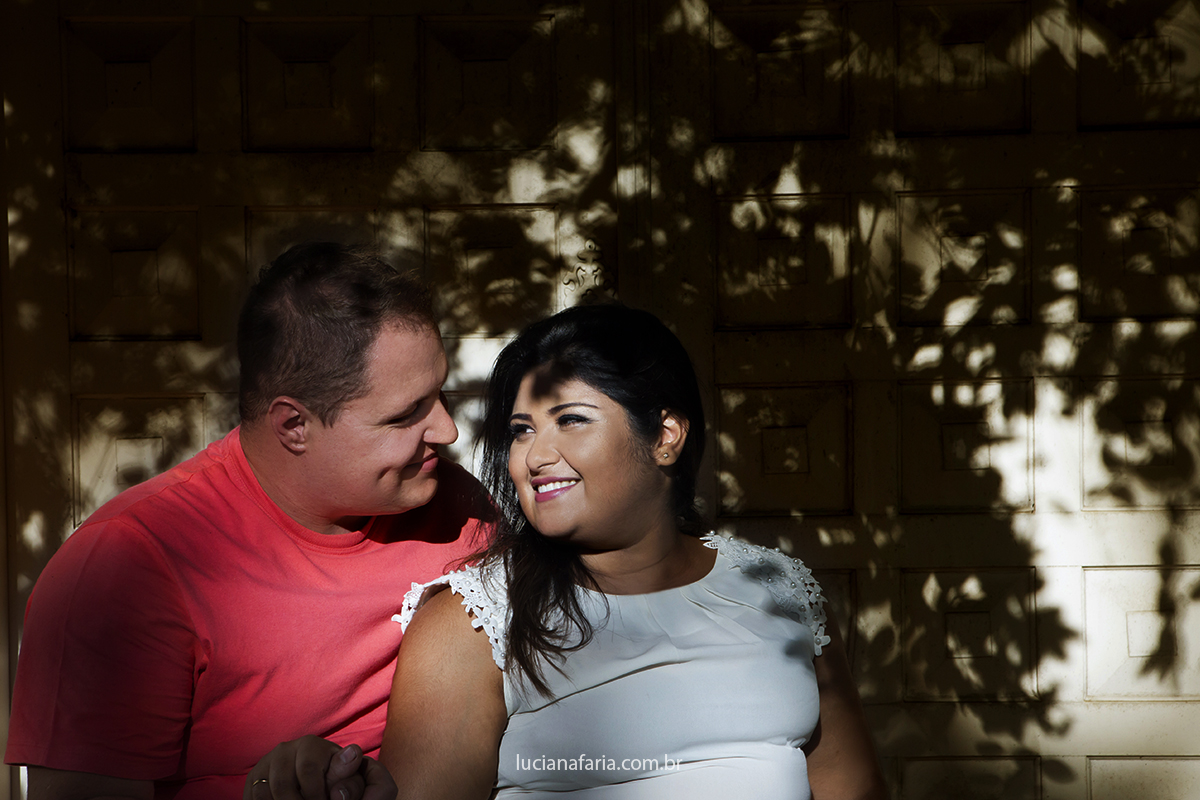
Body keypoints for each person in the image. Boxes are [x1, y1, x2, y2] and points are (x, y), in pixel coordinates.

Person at [5, 242, 493, 800]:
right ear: (294, 426)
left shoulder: (458, 507)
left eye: (439, 394)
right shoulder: (124, 567)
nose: (448, 431)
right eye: (406, 415)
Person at [381, 303, 887, 799]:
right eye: (522, 430)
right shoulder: (475, 622)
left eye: (571, 420)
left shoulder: (779, 590)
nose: (535, 456)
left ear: (666, 436)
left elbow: (853, 786)